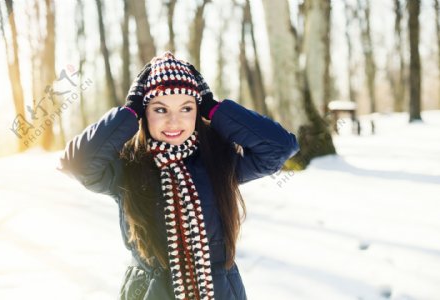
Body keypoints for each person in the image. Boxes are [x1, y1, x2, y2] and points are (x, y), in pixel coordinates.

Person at [59, 51, 299, 300]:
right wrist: (128, 113)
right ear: (144, 113)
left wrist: (215, 109)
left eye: (186, 108)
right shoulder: (127, 167)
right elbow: (77, 163)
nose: (174, 121)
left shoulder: (219, 161)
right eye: (160, 109)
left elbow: (280, 147)